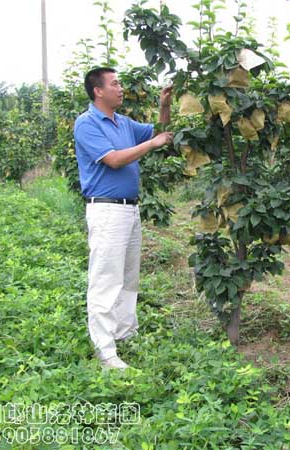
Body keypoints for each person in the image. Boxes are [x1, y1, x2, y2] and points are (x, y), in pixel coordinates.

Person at [74, 67, 174, 369]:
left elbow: (158, 130)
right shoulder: (87, 123)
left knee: (128, 277)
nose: (121, 88)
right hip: (106, 209)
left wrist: (164, 105)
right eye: (115, 84)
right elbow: (115, 160)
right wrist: (152, 145)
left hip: (129, 209)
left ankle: (125, 333)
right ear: (98, 91)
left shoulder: (123, 122)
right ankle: (105, 351)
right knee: (106, 279)